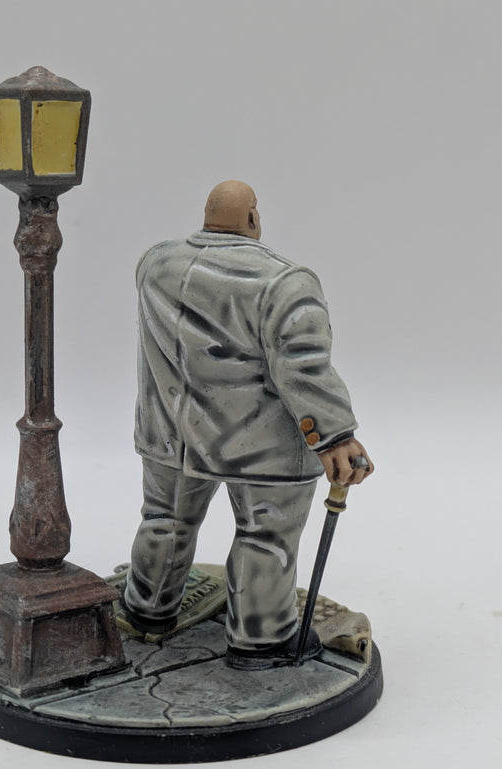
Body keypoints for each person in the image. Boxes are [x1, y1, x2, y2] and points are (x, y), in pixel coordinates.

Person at [122, 180, 374, 670]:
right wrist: (336, 436)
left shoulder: (154, 263)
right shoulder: (286, 283)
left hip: (169, 435)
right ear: (254, 218)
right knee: (265, 537)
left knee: (164, 520)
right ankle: (261, 638)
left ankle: (147, 610)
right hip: (261, 448)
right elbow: (303, 369)